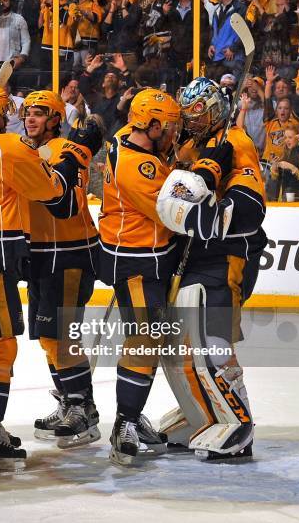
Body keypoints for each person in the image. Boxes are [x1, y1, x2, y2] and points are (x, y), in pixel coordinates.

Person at [0, 84, 88, 470]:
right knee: (0, 346)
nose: (21, 118)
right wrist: (70, 160)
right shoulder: (9, 148)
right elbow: (54, 193)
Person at [156, 77, 267, 461]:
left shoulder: (235, 142)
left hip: (227, 254)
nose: (192, 122)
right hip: (194, 255)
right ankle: (200, 413)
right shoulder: (191, 146)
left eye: (198, 115)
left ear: (215, 110)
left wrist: (206, 216)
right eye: (187, 115)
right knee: (176, 344)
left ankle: (236, 423)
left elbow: (251, 207)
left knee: (211, 342)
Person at [98, 88, 182, 465]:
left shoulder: (128, 142)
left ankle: (130, 416)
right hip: (136, 260)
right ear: (149, 124)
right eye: (168, 126)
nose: (172, 132)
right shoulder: (138, 166)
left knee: (147, 341)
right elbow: (171, 210)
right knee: (144, 341)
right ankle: (125, 423)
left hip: (141, 256)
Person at [20, 90, 103, 448]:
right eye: (27, 114)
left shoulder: (59, 153)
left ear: (55, 119)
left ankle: (83, 410)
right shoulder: (36, 151)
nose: (30, 120)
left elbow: (65, 204)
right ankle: (70, 399)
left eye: (39, 114)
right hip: (43, 253)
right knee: (50, 338)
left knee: (62, 337)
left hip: (69, 254)